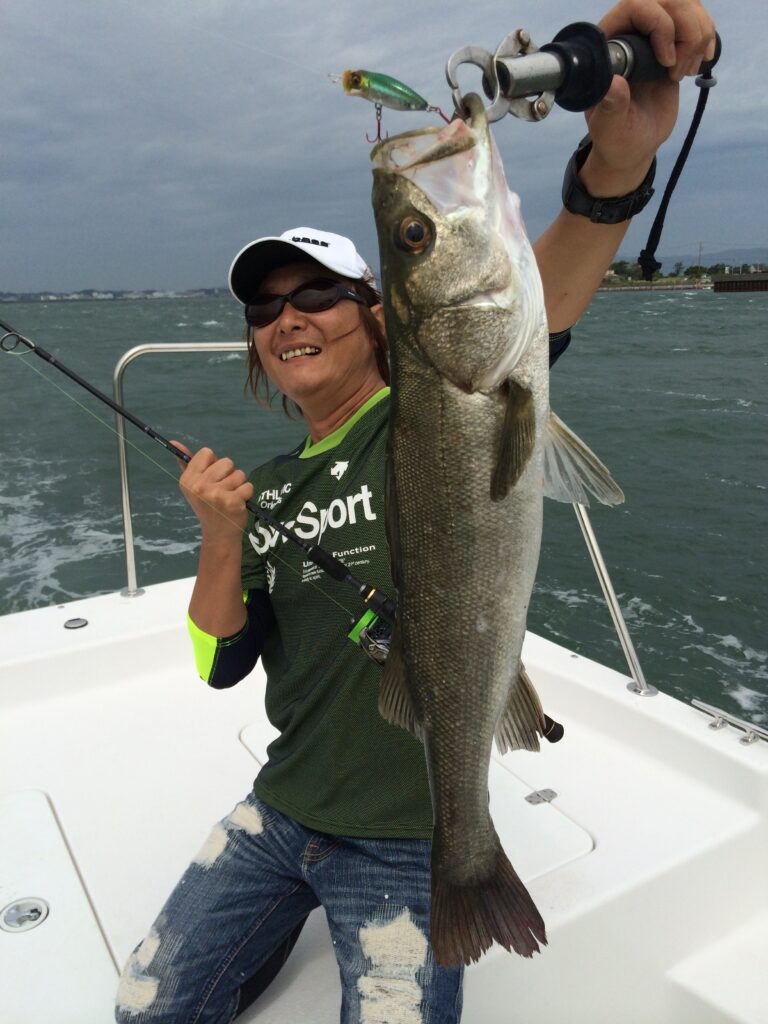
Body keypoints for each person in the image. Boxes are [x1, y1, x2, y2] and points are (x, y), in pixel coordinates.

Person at [114, 2, 716, 1020]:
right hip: (282, 805)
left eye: (316, 294)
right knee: (145, 1009)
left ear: (378, 313)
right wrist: (222, 533)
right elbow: (222, 661)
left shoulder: (433, 406)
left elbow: (543, 297)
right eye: (265, 307)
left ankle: (459, 853)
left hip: (408, 829)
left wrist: (616, 167)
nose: (287, 317)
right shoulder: (269, 484)